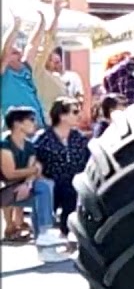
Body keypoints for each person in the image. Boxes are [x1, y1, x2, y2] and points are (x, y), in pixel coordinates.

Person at [1, 106, 69, 262]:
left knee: (43, 188)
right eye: (31, 120)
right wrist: (33, 170)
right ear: (18, 124)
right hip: (5, 189)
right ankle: (44, 235)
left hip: (18, 188)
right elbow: (9, 173)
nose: (35, 123)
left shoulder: (29, 145)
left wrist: (28, 184)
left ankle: (44, 244)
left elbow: (34, 172)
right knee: (43, 189)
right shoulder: (4, 145)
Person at [33, 97, 90, 239]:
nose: (79, 115)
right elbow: (34, 160)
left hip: (74, 182)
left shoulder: (79, 138)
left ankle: (68, 233)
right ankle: (44, 234)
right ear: (62, 115)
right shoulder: (43, 138)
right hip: (51, 181)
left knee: (73, 191)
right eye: (75, 112)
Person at [2, 16, 49, 129]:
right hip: (16, 131)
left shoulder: (25, 69)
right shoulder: (3, 74)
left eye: (19, 51)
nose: (19, 53)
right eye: (14, 53)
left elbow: (33, 45)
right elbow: (5, 50)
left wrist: (42, 21)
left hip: (38, 127)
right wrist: (15, 26)